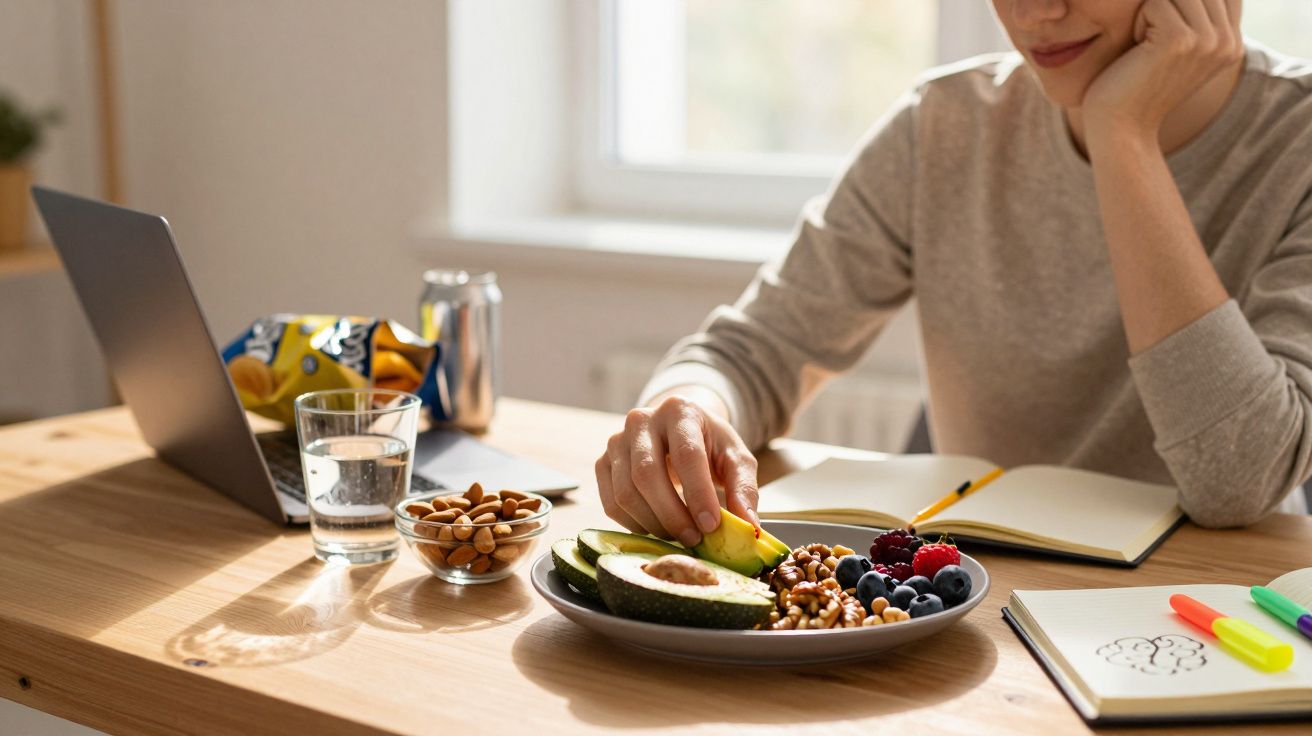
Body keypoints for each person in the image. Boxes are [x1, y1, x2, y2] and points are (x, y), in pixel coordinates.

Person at [595, 0, 1312, 548]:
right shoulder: (945, 122)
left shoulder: (1298, 141)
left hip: (1214, 611)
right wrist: (687, 410)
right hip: (983, 604)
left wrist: (1123, 133)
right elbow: (751, 352)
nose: (1034, 12)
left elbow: (1239, 477)